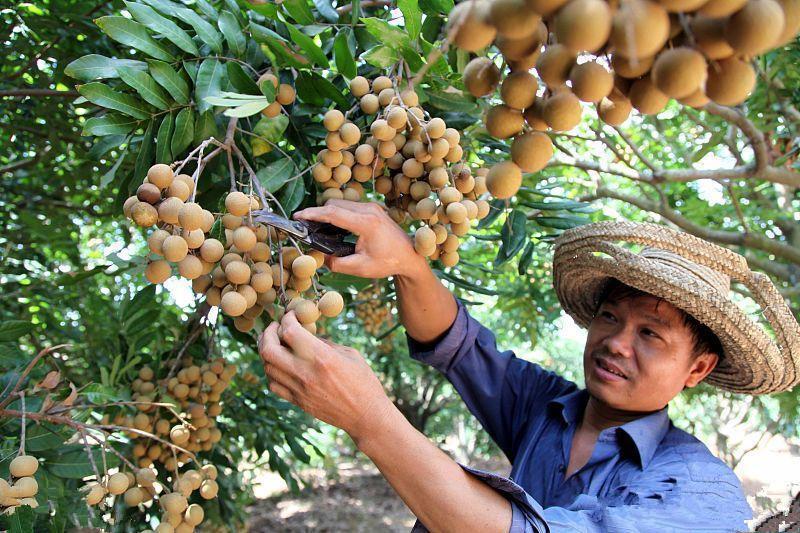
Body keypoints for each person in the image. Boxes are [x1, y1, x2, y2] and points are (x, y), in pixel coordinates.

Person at [257, 200, 800, 532]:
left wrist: (370, 420)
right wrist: (409, 265)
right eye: (609, 317)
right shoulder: (550, 407)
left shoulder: (700, 490)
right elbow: (459, 346)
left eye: (650, 334)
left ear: (698, 369)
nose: (615, 343)